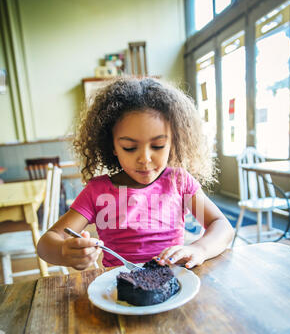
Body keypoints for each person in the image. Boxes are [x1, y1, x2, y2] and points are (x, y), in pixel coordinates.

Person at [37, 77, 234, 270]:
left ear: (173, 142)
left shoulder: (178, 182)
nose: (145, 159)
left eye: (158, 145)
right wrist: (65, 251)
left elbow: (221, 226)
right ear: (112, 146)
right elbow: (46, 243)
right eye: (129, 147)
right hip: (119, 292)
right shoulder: (98, 191)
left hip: (173, 285)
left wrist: (199, 249)